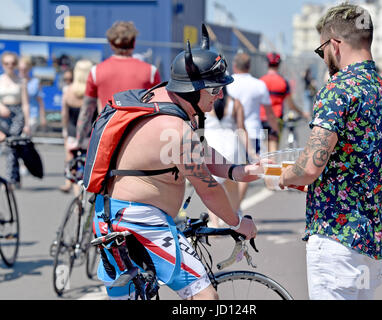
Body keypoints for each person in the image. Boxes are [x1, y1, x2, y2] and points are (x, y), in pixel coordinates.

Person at [93, 26, 259, 300]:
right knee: (205, 297)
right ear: (193, 89)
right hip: (141, 220)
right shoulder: (177, 128)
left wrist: (236, 170)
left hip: (112, 215)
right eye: (215, 89)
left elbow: (201, 149)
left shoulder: (161, 99)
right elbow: (208, 188)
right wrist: (237, 222)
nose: (220, 96)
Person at [279, 3, 382, 300]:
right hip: (372, 243)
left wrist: (284, 176)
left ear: (334, 45)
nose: (323, 57)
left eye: (321, 50)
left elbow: (309, 168)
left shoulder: (340, 88)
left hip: (336, 237)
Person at [75, 21, 161, 148]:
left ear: (111, 44)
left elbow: (87, 111)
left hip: (107, 137)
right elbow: (159, 109)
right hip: (139, 137)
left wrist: (79, 141)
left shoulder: (96, 71)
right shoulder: (151, 72)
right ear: (134, 43)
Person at [227, 52, 279, 207]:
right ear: (249, 66)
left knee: (229, 170)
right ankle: (236, 208)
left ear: (235, 66)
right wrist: (275, 128)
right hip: (253, 131)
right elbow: (269, 112)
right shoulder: (258, 84)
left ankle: (231, 208)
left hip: (231, 132)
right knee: (247, 171)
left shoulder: (228, 83)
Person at [204, 87, 248, 227]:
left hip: (212, 145)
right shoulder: (235, 103)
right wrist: (251, 152)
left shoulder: (205, 102)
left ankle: (215, 223)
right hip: (232, 145)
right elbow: (241, 129)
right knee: (232, 183)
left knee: (211, 185)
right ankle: (234, 220)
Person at [260, 52, 310, 152]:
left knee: (264, 151)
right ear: (279, 64)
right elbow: (290, 104)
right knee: (273, 151)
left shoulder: (261, 81)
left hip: (262, 118)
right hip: (276, 119)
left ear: (267, 64)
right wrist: (302, 113)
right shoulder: (283, 82)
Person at [59, 59, 94, 193]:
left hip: (73, 132)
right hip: (89, 134)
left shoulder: (68, 90)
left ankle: (72, 187)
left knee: (71, 158)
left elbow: (64, 115)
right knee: (87, 163)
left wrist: (65, 131)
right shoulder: (92, 92)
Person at [0, 51, 30, 189]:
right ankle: (15, 177)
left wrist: (27, 123)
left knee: (11, 146)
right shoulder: (0, 80)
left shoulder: (21, 82)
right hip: (3, 115)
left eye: (12, 63)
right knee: (10, 147)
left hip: (17, 115)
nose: (9, 66)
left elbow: (25, 103)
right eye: (6, 63)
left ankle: (10, 180)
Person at [18, 56, 46, 135]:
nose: (22, 71)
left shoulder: (35, 82)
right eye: (20, 69)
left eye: (25, 69)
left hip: (32, 115)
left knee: (25, 138)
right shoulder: (15, 81)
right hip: (17, 115)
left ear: (29, 69)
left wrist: (42, 117)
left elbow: (40, 101)